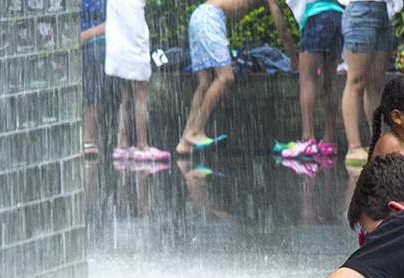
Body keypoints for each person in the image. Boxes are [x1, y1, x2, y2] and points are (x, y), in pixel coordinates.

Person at [178, 0, 298, 156]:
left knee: (205, 82)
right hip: (211, 19)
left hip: (199, 16)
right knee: (226, 78)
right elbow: (281, 30)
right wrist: (295, 62)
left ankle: (185, 141)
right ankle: (196, 131)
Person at [277, 0, 344, 158]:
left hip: (315, 16)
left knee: (307, 80)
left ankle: (308, 139)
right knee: (330, 81)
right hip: (337, 16)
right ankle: (329, 142)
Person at [106, 0, 170, 162]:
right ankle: (142, 146)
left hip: (117, 44)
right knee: (141, 94)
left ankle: (122, 145)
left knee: (125, 96)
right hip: (133, 42)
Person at [341, 0, 400, 166]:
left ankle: (378, 143)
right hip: (361, 8)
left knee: (374, 83)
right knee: (356, 81)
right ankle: (354, 146)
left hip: (386, 11)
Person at [81, 0, 110, 159]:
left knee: (96, 54)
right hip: (69, 36)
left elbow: (113, 22)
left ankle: (88, 136)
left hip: (96, 39)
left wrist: (85, 36)